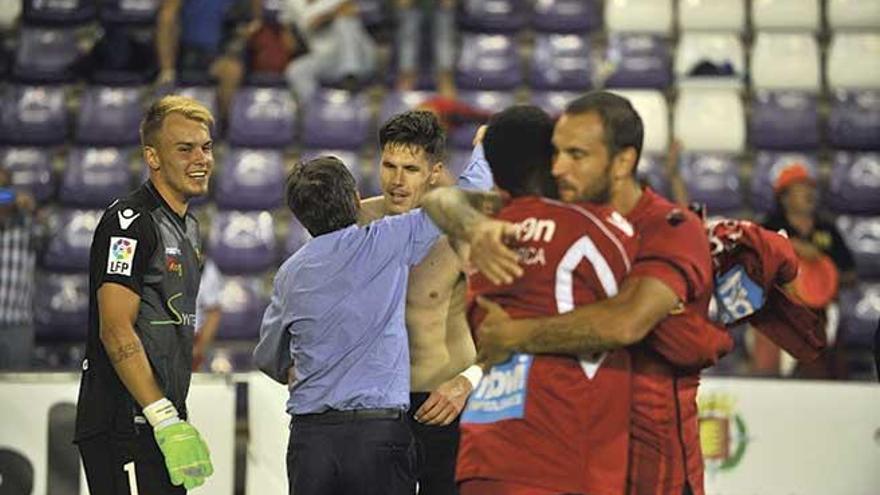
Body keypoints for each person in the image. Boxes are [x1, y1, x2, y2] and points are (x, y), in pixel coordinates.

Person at [466, 92, 732, 495]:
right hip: (576, 461)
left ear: (623, 162)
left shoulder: (670, 228)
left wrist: (516, 335)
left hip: (655, 468)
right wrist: (474, 225)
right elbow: (441, 201)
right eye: (555, 153)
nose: (558, 167)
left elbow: (626, 322)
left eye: (577, 155)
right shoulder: (564, 212)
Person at [422, 105, 640, 495]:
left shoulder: (477, 231)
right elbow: (631, 322)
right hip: (556, 454)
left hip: (482, 455)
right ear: (550, 160)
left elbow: (440, 202)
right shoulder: (593, 229)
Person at [74, 95, 215, 494]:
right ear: (152, 157)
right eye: (184, 149)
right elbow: (116, 329)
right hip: (125, 422)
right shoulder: (129, 223)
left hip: (157, 421)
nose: (200, 159)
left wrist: (170, 418)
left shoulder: (190, 227)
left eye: (205, 147)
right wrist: (163, 416)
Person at [356, 110, 493, 495]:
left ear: (434, 172)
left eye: (411, 169)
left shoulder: (460, 228)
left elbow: (510, 324)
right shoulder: (357, 222)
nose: (397, 181)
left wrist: (468, 382)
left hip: (447, 405)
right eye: (389, 166)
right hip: (377, 411)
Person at [758, 163, 857, 378]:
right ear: (784, 197)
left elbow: (850, 274)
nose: (809, 193)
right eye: (800, 188)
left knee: (827, 368)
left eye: (810, 188)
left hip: (820, 312)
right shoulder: (771, 226)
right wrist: (791, 245)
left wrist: (825, 273)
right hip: (779, 309)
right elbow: (753, 265)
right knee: (767, 364)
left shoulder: (826, 229)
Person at [156, 0, 262, 120]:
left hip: (225, 50)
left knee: (231, 70)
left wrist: (255, 20)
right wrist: (167, 68)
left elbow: (255, 19)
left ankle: (223, 130)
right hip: (190, 54)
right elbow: (166, 21)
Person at [281, 0, 377, 102]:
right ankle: (314, 109)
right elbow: (288, 23)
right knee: (296, 71)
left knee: (345, 22)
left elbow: (348, 9)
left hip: (358, 56)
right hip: (327, 59)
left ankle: (351, 76)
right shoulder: (290, 2)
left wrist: (323, 18)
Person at [0, 168, 40, 370]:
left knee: (16, 386)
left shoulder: (24, 229)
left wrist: (30, 208)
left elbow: (47, 231)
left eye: (3, 192)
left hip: (17, 325)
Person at [395, 0, 456, 96]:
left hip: (441, 9)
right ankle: (406, 73)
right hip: (412, 9)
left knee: (444, 23)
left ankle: (445, 76)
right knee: (408, 26)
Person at [192, 258, 224, 371]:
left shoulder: (206, 269)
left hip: (193, 339)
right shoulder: (156, 261)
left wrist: (199, 348)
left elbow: (213, 313)